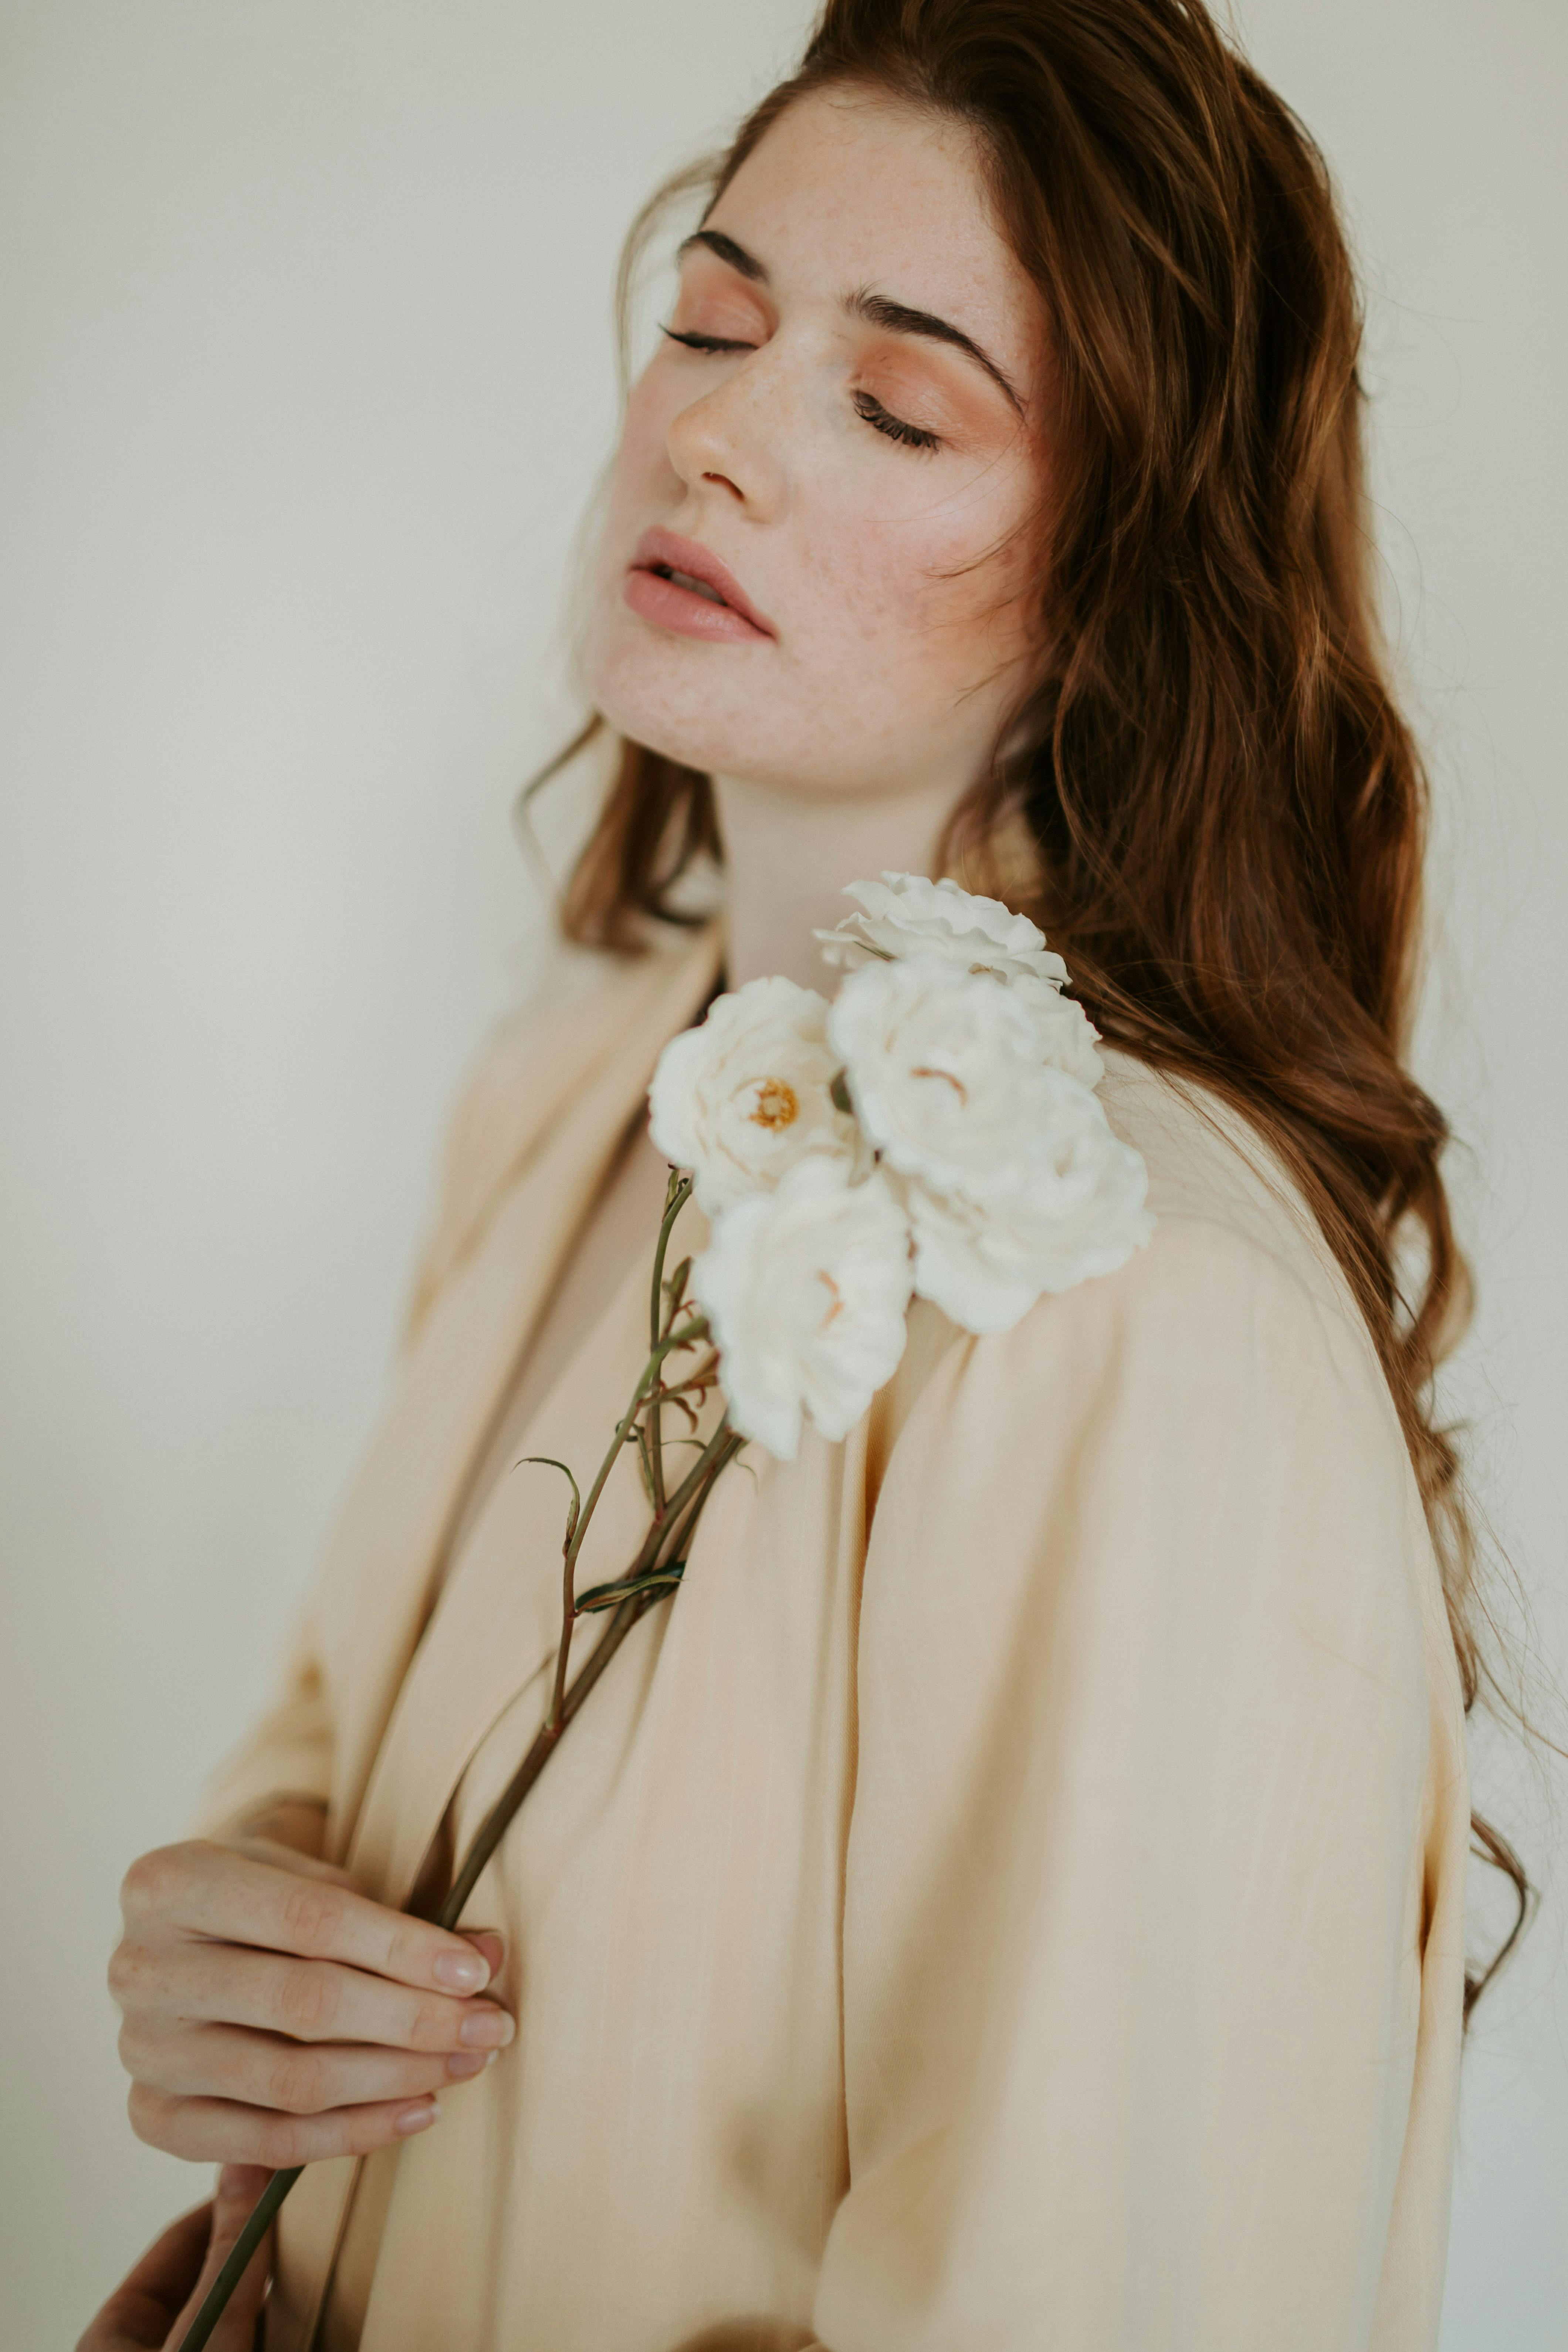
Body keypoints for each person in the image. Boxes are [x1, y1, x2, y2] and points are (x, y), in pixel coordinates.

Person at [85, 1, 1525, 2345]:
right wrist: (235, 1958)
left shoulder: (1153, 1321)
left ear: (1115, 592)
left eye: (896, 400)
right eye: (710, 318)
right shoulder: (559, 1108)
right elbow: (334, 1768)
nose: (718, 432)